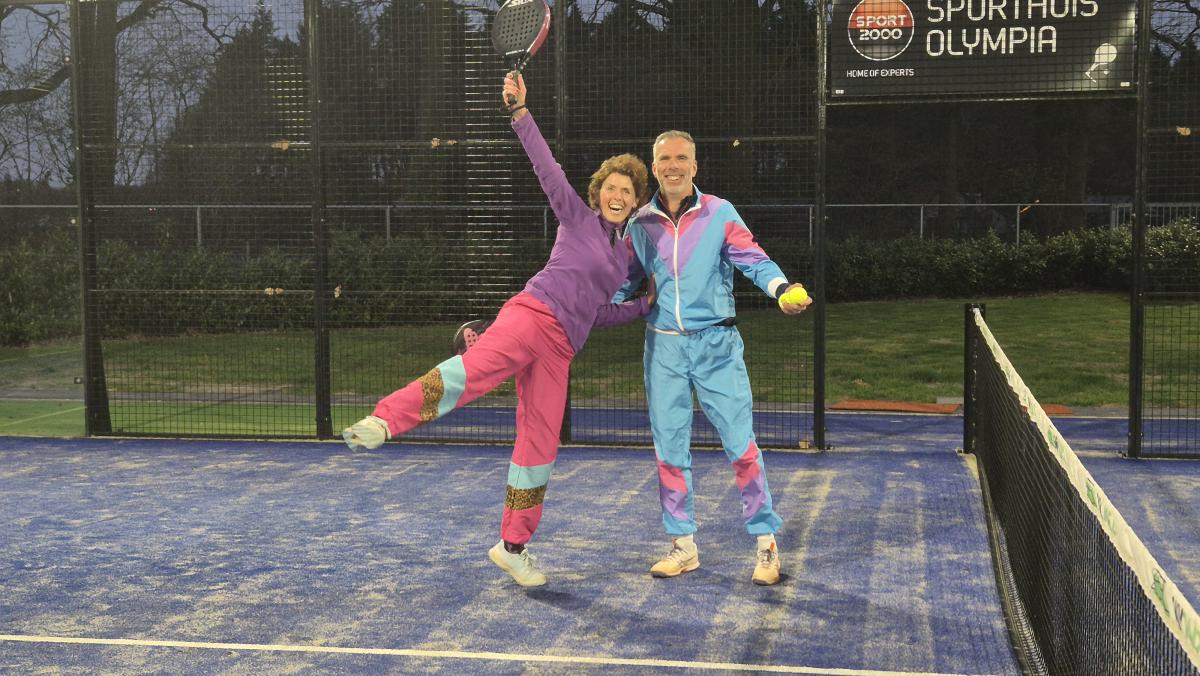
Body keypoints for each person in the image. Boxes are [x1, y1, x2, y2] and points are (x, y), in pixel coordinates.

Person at [343, 74, 651, 588]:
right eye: (611, 187)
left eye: (628, 190)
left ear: (636, 201)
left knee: (540, 445)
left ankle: (513, 546)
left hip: (561, 351)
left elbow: (597, 313)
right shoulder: (576, 217)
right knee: (474, 374)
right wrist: (520, 113)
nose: (618, 194)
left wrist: (642, 307)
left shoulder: (623, 259)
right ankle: (384, 419)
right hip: (532, 314)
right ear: (598, 193)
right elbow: (547, 169)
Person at [618, 129, 812, 586]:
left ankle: (766, 545)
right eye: (665, 159)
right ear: (654, 167)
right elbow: (622, 280)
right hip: (663, 349)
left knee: (741, 445)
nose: (673, 166)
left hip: (717, 346)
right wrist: (577, 310)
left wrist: (781, 289)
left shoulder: (720, 212)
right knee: (670, 449)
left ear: (695, 166)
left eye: (681, 158)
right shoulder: (640, 223)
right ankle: (682, 546)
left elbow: (754, 260)